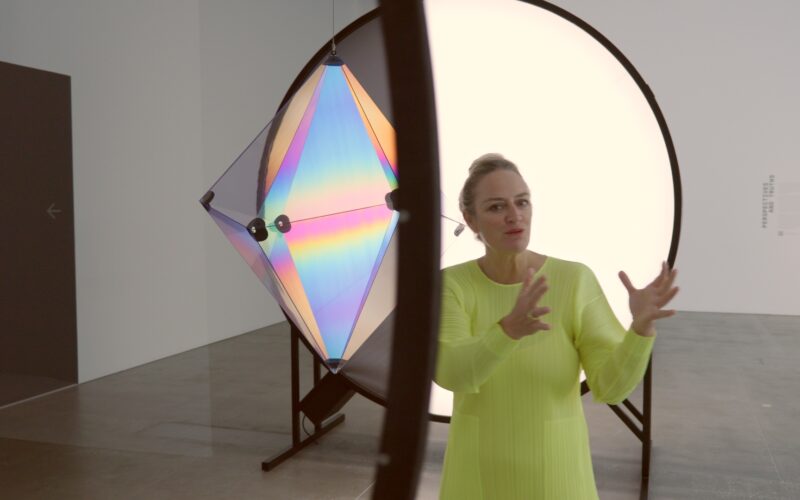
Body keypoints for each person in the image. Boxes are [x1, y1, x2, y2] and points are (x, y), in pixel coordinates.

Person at [435, 153, 679, 499]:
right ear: (470, 220)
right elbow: (452, 373)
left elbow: (610, 387)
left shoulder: (573, 280)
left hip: (558, 477)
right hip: (476, 477)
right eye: (495, 207)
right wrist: (507, 332)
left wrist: (639, 331)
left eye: (522, 202)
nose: (514, 216)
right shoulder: (452, 285)